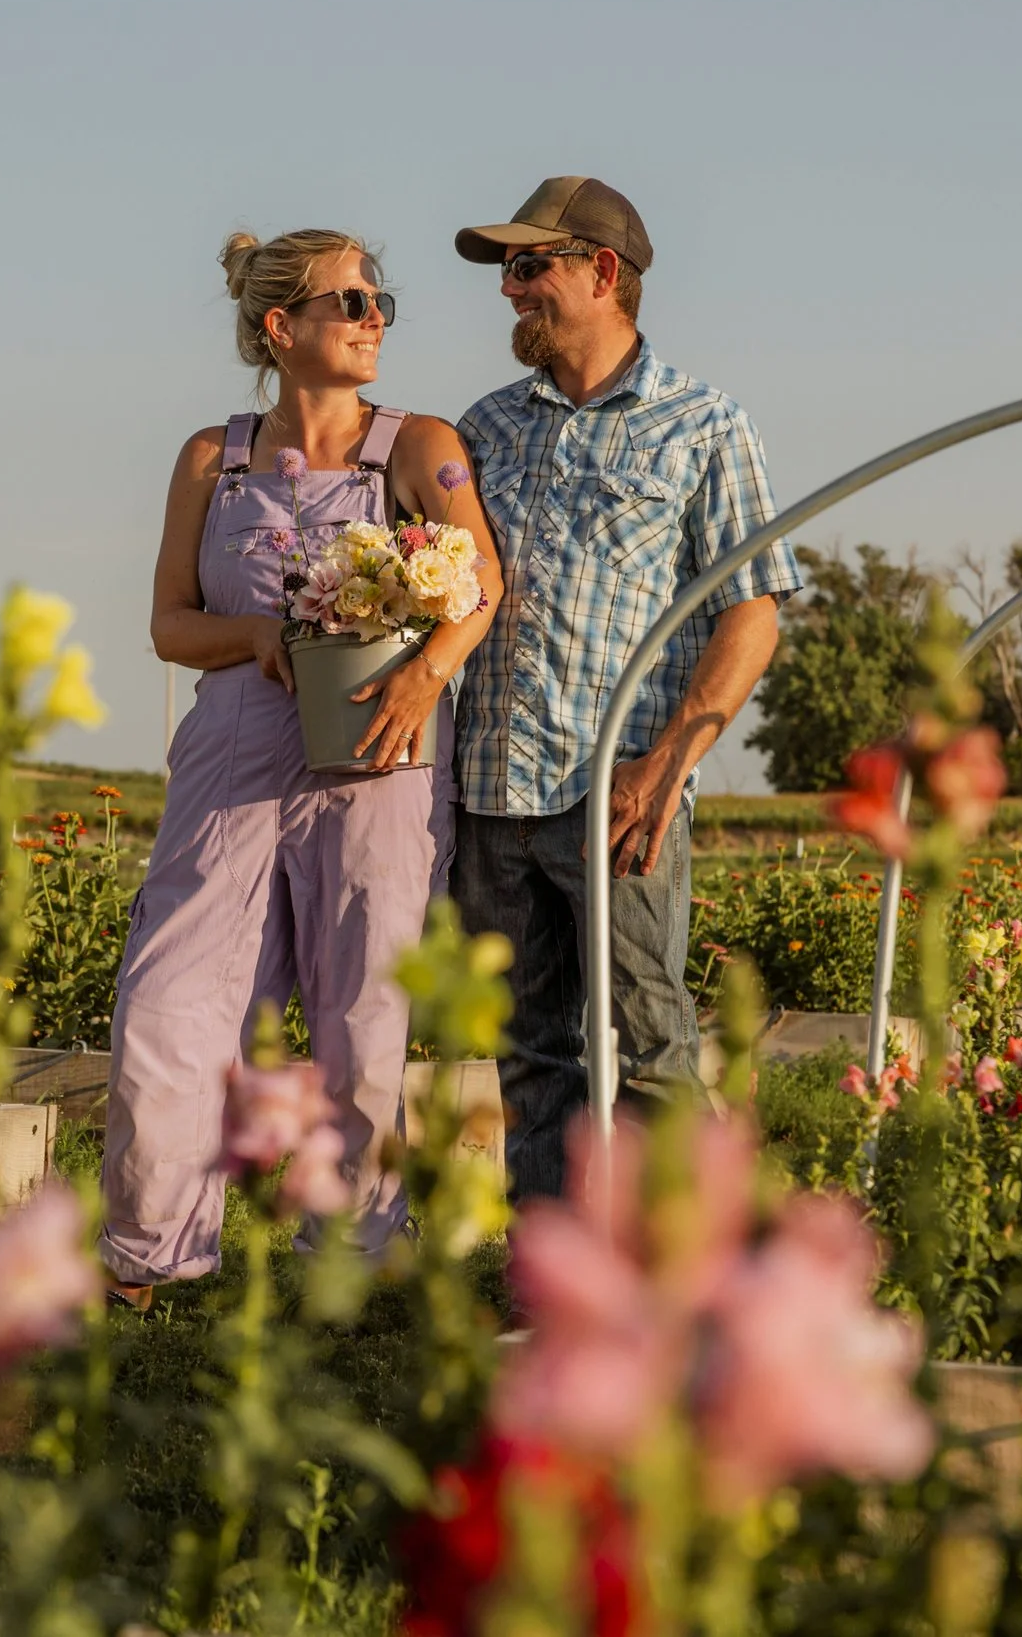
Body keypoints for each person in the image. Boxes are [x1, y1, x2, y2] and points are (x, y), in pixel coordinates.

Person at [100, 227, 505, 1303]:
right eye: (350, 302)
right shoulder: (209, 456)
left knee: (362, 1009)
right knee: (170, 1000)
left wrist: (425, 680)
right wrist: (254, 639)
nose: (375, 318)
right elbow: (167, 624)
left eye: (380, 300)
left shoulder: (423, 446)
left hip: (381, 747)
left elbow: (480, 589)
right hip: (232, 748)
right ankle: (151, 1254)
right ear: (282, 328)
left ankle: (351, 1267)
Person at [449, 176, 803, 1202]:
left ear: (602, 272)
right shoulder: (486, 428)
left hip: (617, 794)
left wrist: (668, 762)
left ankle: (671, 1277)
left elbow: (753, 613)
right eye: (506, 271)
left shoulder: (703, 425)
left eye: (529, 267)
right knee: (525, 1055)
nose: (510, 290)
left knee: (650, 1044)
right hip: (487, 792)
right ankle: (555, 1286)